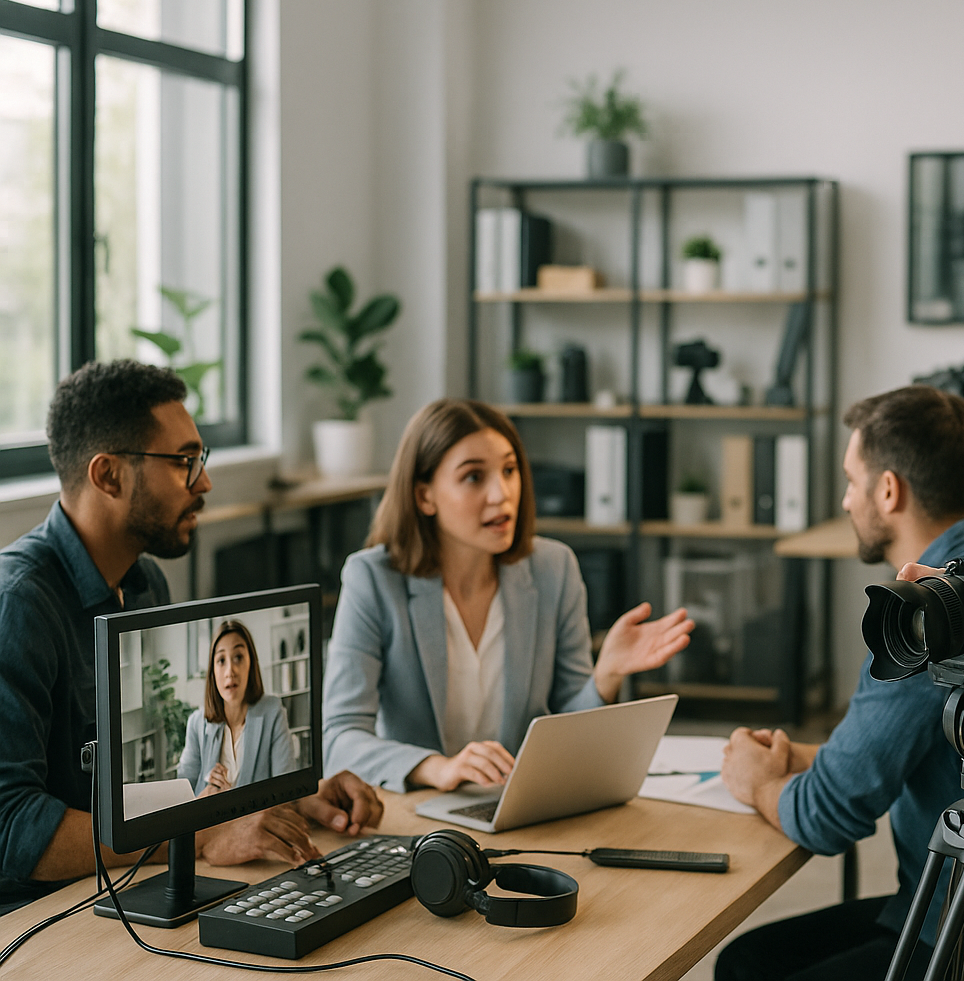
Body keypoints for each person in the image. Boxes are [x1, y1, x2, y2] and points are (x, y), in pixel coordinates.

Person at [716, 385, 964, 981]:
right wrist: (809, 757)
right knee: (752, 958)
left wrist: (756, 784)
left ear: (888, 490)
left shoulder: (930, 619)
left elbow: (826, 816)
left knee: (747, 969)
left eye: (852, 481)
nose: (847, 500)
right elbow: (927, 748)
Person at [0, 360, 383, 918]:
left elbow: (162, 785)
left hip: (126, 893)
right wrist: (200, 835)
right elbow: (12, 829)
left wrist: (287, 794)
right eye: (183, 462)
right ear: (108, 476)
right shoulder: (19, 604)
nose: (203, 482)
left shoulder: (143, 579)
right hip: (44, 919)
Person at [322, 398, 694, 792]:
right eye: (473, 477)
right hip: (417, 815)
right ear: (424, 496)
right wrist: (437, 767)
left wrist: (606, 676)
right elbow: (340, 738)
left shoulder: (554, 568)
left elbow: (568, 728)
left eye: (509, 470)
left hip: (520, 806)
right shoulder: (373, 579)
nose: (501, 494)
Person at [179, 619, 299, 796]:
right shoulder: (196, 724)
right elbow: (182, 801)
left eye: (238, 658)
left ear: (251, 663)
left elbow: (286, 792)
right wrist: (205, 797)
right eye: (221, 660)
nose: (230, 671)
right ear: (213, 671)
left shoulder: (272, 712)